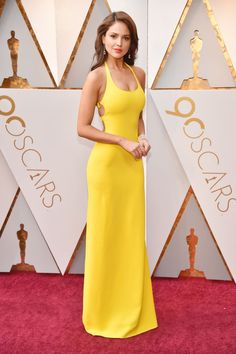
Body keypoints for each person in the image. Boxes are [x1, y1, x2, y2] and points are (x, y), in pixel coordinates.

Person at [77, 11, 158, 338]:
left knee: (129, 236)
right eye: (113, 36)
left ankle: (130, 306)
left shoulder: (138, 73)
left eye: (125, 38)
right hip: (107, 168)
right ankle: (102, 312)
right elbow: (82, 128)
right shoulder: (96, 77)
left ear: (131, 42)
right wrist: (121, 140)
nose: (119, 43)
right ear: (102, 38)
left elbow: (136, 115)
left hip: (132, 167)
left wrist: (141, 137)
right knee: (106, 237)